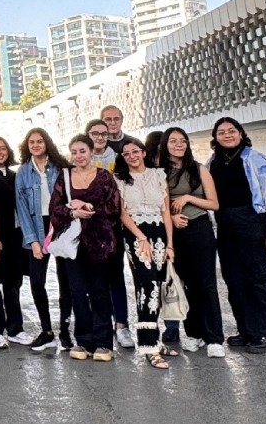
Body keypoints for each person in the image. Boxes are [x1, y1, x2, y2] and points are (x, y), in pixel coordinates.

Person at [208, 117, 266, 353]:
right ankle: (247, 330)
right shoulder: (213, 162)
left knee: (260, 278)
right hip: (227, 226)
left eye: (232, 131)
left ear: (241, 133)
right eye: (222, 132)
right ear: (215, 137)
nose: (227, 135)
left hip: (254, 223)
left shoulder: (253, 157)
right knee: (235, 279)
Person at [49, 134, 120, 362]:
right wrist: (73, 212)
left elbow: (113, 206)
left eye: (82, 151)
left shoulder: (104, 176)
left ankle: (103, 343)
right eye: (74, 151)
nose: (78, 156)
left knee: (100, 290)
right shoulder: (64, 176)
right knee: (77, 290)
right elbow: (55, 208)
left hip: (99, 240)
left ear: (91, 152)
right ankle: (83, 340)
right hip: (74, 243)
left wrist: (89, 207)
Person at [159, 127, 225, 358]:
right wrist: (172, 217)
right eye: (174, 141)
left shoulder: (199, 169)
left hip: (200, 229)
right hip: (174, 234)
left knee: (206, 284)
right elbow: (157, 205)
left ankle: (214, 337)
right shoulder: (159, 172)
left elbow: (214, 203)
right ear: (165, 144)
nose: (179, 144)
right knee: (185, 284)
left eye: (183, 140)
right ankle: (194, 333)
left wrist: (188, 198)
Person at [113, 137, 177, 369]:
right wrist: (140, 237)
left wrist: (170, 244)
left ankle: (154, 340)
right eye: (126, 153)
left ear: (143, 152)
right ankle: (149, 347)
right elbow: (122, 213)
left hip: (160, 233)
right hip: (136, 235)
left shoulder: (159, 175)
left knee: (155, 288)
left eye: (135, 151)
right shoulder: (119, 179)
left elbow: (166, 211)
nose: (131, 156)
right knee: (147, 286)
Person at [15, 128, 73, 351]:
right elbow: (21, 208)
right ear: (27, 145)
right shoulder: (23, 172)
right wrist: (33, 241)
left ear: (47, 143)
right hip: (36, 229)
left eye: (40, 141)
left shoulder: (61, 168)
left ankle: (65, 330)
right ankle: (46, 330)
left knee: (65, 282)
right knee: (37, 282)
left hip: (60, 226)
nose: (36, 145)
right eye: (32, 142)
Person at [86, 118, 133, 349]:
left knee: (116, 276)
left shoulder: (118, 158)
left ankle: (122, 325)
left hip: (113, 224)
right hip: (87, 227)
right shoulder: (79, 158)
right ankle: (99, 325)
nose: (99, 137)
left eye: (103, 134)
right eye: (95, 133)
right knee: (94, 280)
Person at [0, 136, 32, 349]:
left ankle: (15, 328)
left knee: (13, 284)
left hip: (15, 236)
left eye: (3, 148)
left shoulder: (15, 175)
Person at [146, 130, 178, 343]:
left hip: (175, 228)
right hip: (153, 229)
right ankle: (161, 326)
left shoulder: (175, 168)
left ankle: (173, 325)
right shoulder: (147, 170)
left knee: (171, 279)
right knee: (156, 281)